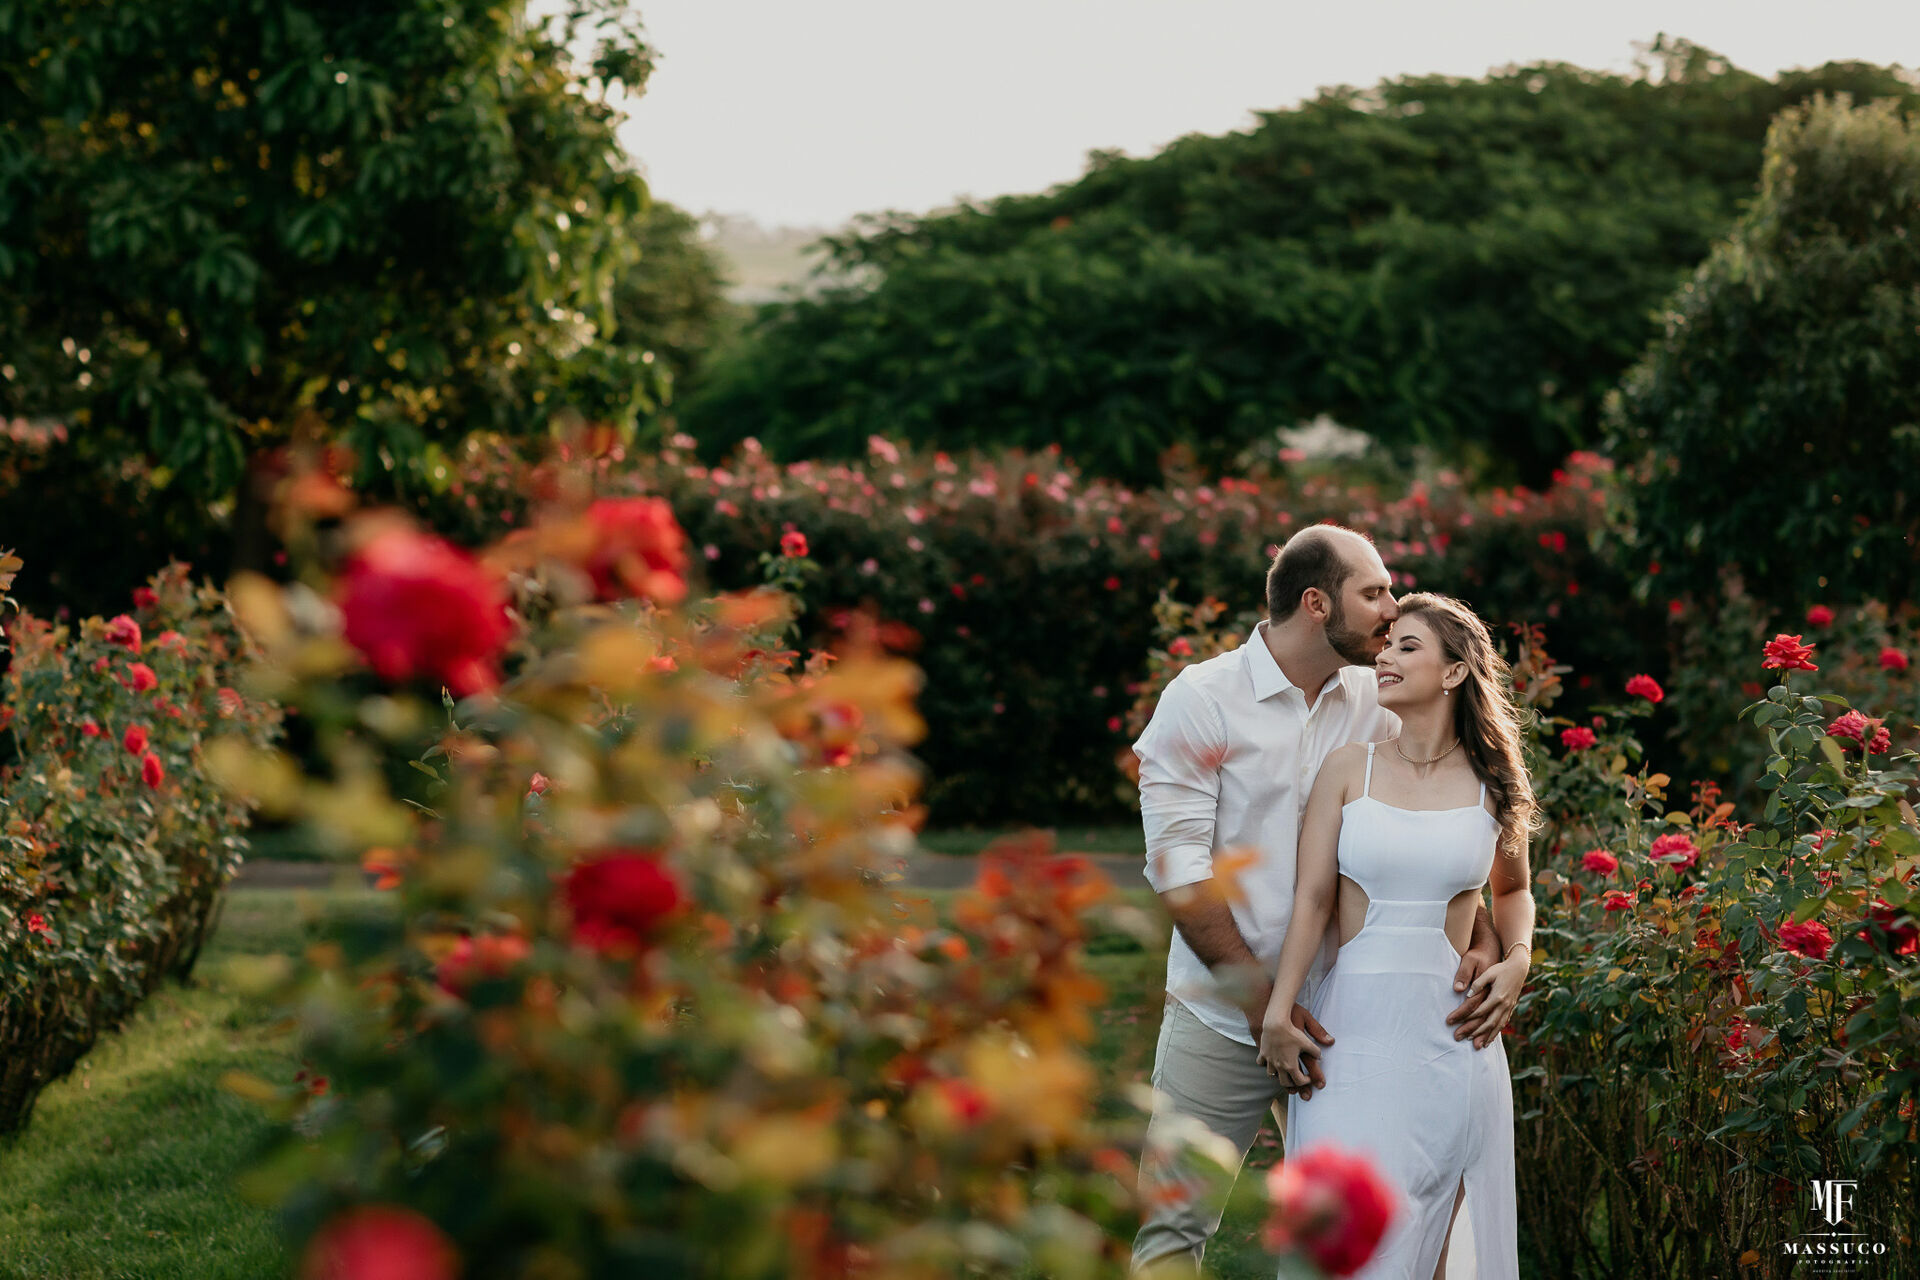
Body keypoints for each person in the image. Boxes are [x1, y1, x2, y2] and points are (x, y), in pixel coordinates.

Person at [1130, 528, 1519, 1277]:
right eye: (1374, 592)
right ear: (1316, 604)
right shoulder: (1201, 701)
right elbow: (1180, 875)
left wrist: (1482, 941)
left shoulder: (1375, 699)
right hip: (1227, 1015)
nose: (1392, 607)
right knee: (1175, 1229)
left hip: (1352, 1023)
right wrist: (1263, 1010)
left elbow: (1425, 831)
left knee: (1359, 1236)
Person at [1260, 593, 1536, 1279]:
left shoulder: (1492, 784)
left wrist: (1517, 960)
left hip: (1451, 1038)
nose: (1383, 656)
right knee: (1346, 1236)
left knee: (1433, 1224)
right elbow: (1313, 898)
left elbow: (1515, 890)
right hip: (1349, 1037)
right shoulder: (1348, 767)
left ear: (1453, 673)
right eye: (1386, 645)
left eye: (1406, 646)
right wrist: (1278, 1008)